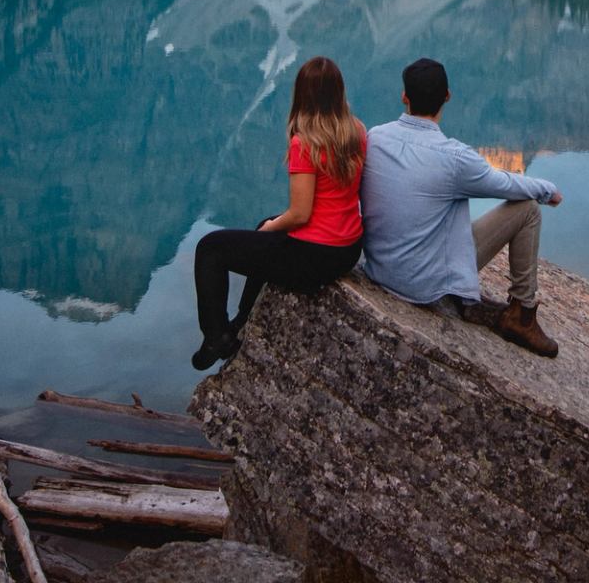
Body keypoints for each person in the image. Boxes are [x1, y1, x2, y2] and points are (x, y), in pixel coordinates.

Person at [360, 57, 563, 356]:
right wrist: (548, 191)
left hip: (379, 270)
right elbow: (504, 184)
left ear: (404, 97)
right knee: (528, 210)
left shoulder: (374, 137)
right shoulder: (454, 158)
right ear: (447, 97)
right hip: (423, 287)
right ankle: (522, 315)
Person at [189, 56, 366, 370]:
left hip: (315, 257)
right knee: (264, 227)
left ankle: (215, 336)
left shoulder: (305, 142)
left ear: (302, 95)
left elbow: (300, 214)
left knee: (210, 248)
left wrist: (273, 226)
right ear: (339, 92)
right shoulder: (356, 131)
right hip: (348, 248)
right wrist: (268, 226)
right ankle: (242, 321)